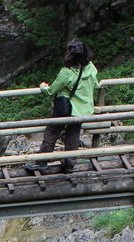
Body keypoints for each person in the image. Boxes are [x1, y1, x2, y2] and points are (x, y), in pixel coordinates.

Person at [25, 39, 99, 173]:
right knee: (73, 135)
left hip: (65, 108)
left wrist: (43, 87)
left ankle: (42, 161)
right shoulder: (91, 68)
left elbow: (52, 90)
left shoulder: (67, 72)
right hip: (83, 110)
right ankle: (69, 164)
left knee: (52, 131)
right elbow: (95, 86)